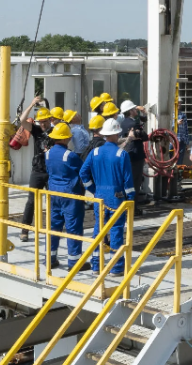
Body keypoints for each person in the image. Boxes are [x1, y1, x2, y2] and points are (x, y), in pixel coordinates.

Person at [80, 118, 135, 274]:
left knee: (99, 229)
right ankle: (116, 267)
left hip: (100, 197)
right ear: (117, 133)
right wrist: (130, 200)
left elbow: (83, 173)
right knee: (116, 230)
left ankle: (96, 265)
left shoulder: (95, 152)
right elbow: (128, 182)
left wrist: (93, 189)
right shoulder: (121, 154)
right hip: (117, 197)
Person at [46, 122, 88, 271]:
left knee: (54, 226)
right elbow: (83, 170)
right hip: (70, 194)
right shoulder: (69, 155)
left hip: (53, 193)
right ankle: (74, 262)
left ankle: (50, 259)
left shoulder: (48, 153)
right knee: (73, 227)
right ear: (65, 139)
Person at [19, 100, 53, 242]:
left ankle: (53, 230)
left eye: (45, 121)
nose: (42, 124)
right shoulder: (37, 130)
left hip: (51, 171)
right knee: (31, 201)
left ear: (50, 120)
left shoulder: (56, 131)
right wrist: (32, 104)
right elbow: (22, 120)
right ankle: (25, 230)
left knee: (53, 201)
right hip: (38, 170)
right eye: (40, 122)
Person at [118, 100, 147, 204]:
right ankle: (132, 207)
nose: (136, 110)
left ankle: (126, 205)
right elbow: (144, 136)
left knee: (127, 180)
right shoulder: (133, 124)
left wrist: (144, 115)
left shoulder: (123, 123)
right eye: (134, 109)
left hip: (127, 155)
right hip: (135, 156)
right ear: (130, 111)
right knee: (135, 182)